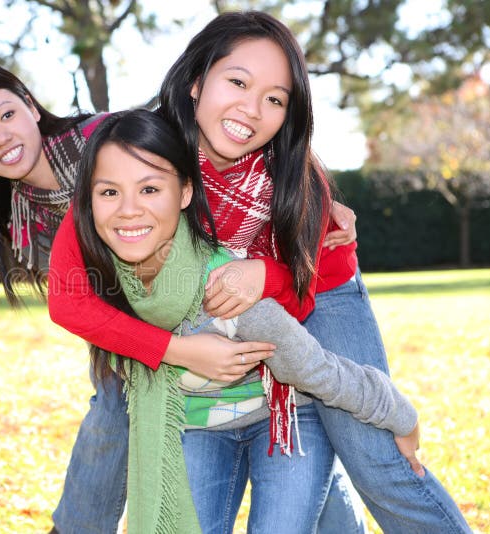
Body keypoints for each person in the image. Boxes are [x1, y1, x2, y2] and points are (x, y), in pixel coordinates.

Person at [48, 11, 471, 534]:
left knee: (372, 455)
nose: (252, 109)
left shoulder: (293, 176)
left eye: (275, 98)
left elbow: (296, 294)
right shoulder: (141, 156)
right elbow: (69, 298)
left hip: (318, 284)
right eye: (238, 82)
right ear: (197, 82)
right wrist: (177, 350)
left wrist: (262, 275)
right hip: (230, 331)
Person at [0, 63, 273, 533]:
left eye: (7, 114)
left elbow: (230, 160)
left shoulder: (105, 138)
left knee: (311, 405)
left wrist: (314, 200)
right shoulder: (22, 222)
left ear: (31, 107)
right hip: (144, 329)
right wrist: (170, 352)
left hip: (222, 291)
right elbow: (84, 308)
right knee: (114, 400)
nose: (0, 137)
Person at [67, 108, 423, 533]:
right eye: (108, 192)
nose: (128, 210)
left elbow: (315, 368)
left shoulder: (222, 288)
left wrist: (400, 414)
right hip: (199, 425)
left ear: (184, 194)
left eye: (149, 189)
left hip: (282, 416)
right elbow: (67, 307)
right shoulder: (106, 280)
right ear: (86, 201)